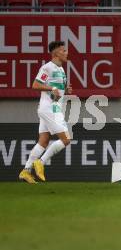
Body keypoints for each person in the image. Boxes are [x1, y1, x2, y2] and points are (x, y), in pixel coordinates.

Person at [19, 41, 72, 183]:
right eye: (64, 50)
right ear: (56, 53)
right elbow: (35, 85)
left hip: (50, 108)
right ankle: (41, 162)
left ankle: (26, 171)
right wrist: (51, 89)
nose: (66, 53)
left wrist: (64, 90)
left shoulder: (61, 70)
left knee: (43, 141)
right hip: (50, 108)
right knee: (66, 138)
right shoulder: (47, 68)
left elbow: (56, 90)